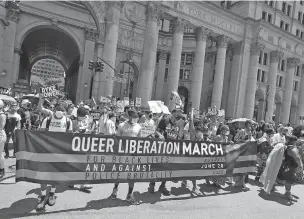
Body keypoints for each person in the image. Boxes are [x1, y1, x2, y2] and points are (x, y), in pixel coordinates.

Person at [37, 104, 73, 211]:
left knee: (55, 174)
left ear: (65, 112)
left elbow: (69, 137)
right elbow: (41, 135)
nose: (59, 111)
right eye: (58, 109)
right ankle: (43, 197)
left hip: (59, 153)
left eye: (62, 110)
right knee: (43, 175)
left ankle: (52, 193)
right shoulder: (47, 120)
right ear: (54, 110)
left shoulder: (68, 121)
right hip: (46, 151)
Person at [110, 109, 142, 205]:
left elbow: (140, 141)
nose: (136, 119)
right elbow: (116, 140)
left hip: (133, 156)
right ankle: (115, 190)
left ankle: (129, 195)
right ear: (129, 117)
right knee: (119, 174)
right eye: (134, 117)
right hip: (122, 155)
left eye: (137, 117)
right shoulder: (121, 126)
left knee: (132, 176)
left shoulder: (139, 127)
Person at [277, 135, 303, 201]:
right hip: (290, 166)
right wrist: (301, 166)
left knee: (288, 179)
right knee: (289, 180)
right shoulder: (291, 149)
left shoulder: (287, 147)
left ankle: (287, 192)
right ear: (294, 141)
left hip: (287, 165)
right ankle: (287, 194)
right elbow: (297, 158)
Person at [0, 100, 7, 179]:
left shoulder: (2, 115)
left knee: (0, 153)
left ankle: (2, 170)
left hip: (0, 135)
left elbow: (1, 126)